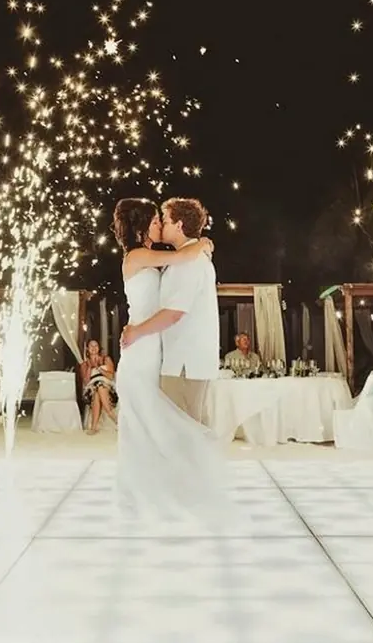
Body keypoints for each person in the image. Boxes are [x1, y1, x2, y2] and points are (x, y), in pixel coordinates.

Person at [111, 197, 234, 524]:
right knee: (147, 426)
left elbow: (175, 302)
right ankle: (152, 495)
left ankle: (176, 493)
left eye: (162, 220)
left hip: (160, 351)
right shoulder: (139, 256)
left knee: (164, 426)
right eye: (155, 220)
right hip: (143, 351)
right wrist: (202, 243)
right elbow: (181, 257)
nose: (159, 225)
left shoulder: (170, 260)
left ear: (177, 225)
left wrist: (200, 243)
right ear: (141, 226)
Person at [80, 339, 117, 434]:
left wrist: (99, 368)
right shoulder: (84, 364)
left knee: (99, 386)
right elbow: (86, 381)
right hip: (91, 388)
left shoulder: (106, 359)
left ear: (99, 348)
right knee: (96, 389)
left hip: (107, 387)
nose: (93, 348)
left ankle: (94, 427)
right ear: (87, 349)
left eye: (96, 345)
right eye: (91, 346)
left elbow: (111, 376)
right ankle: (112, 416)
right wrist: (90, 367)